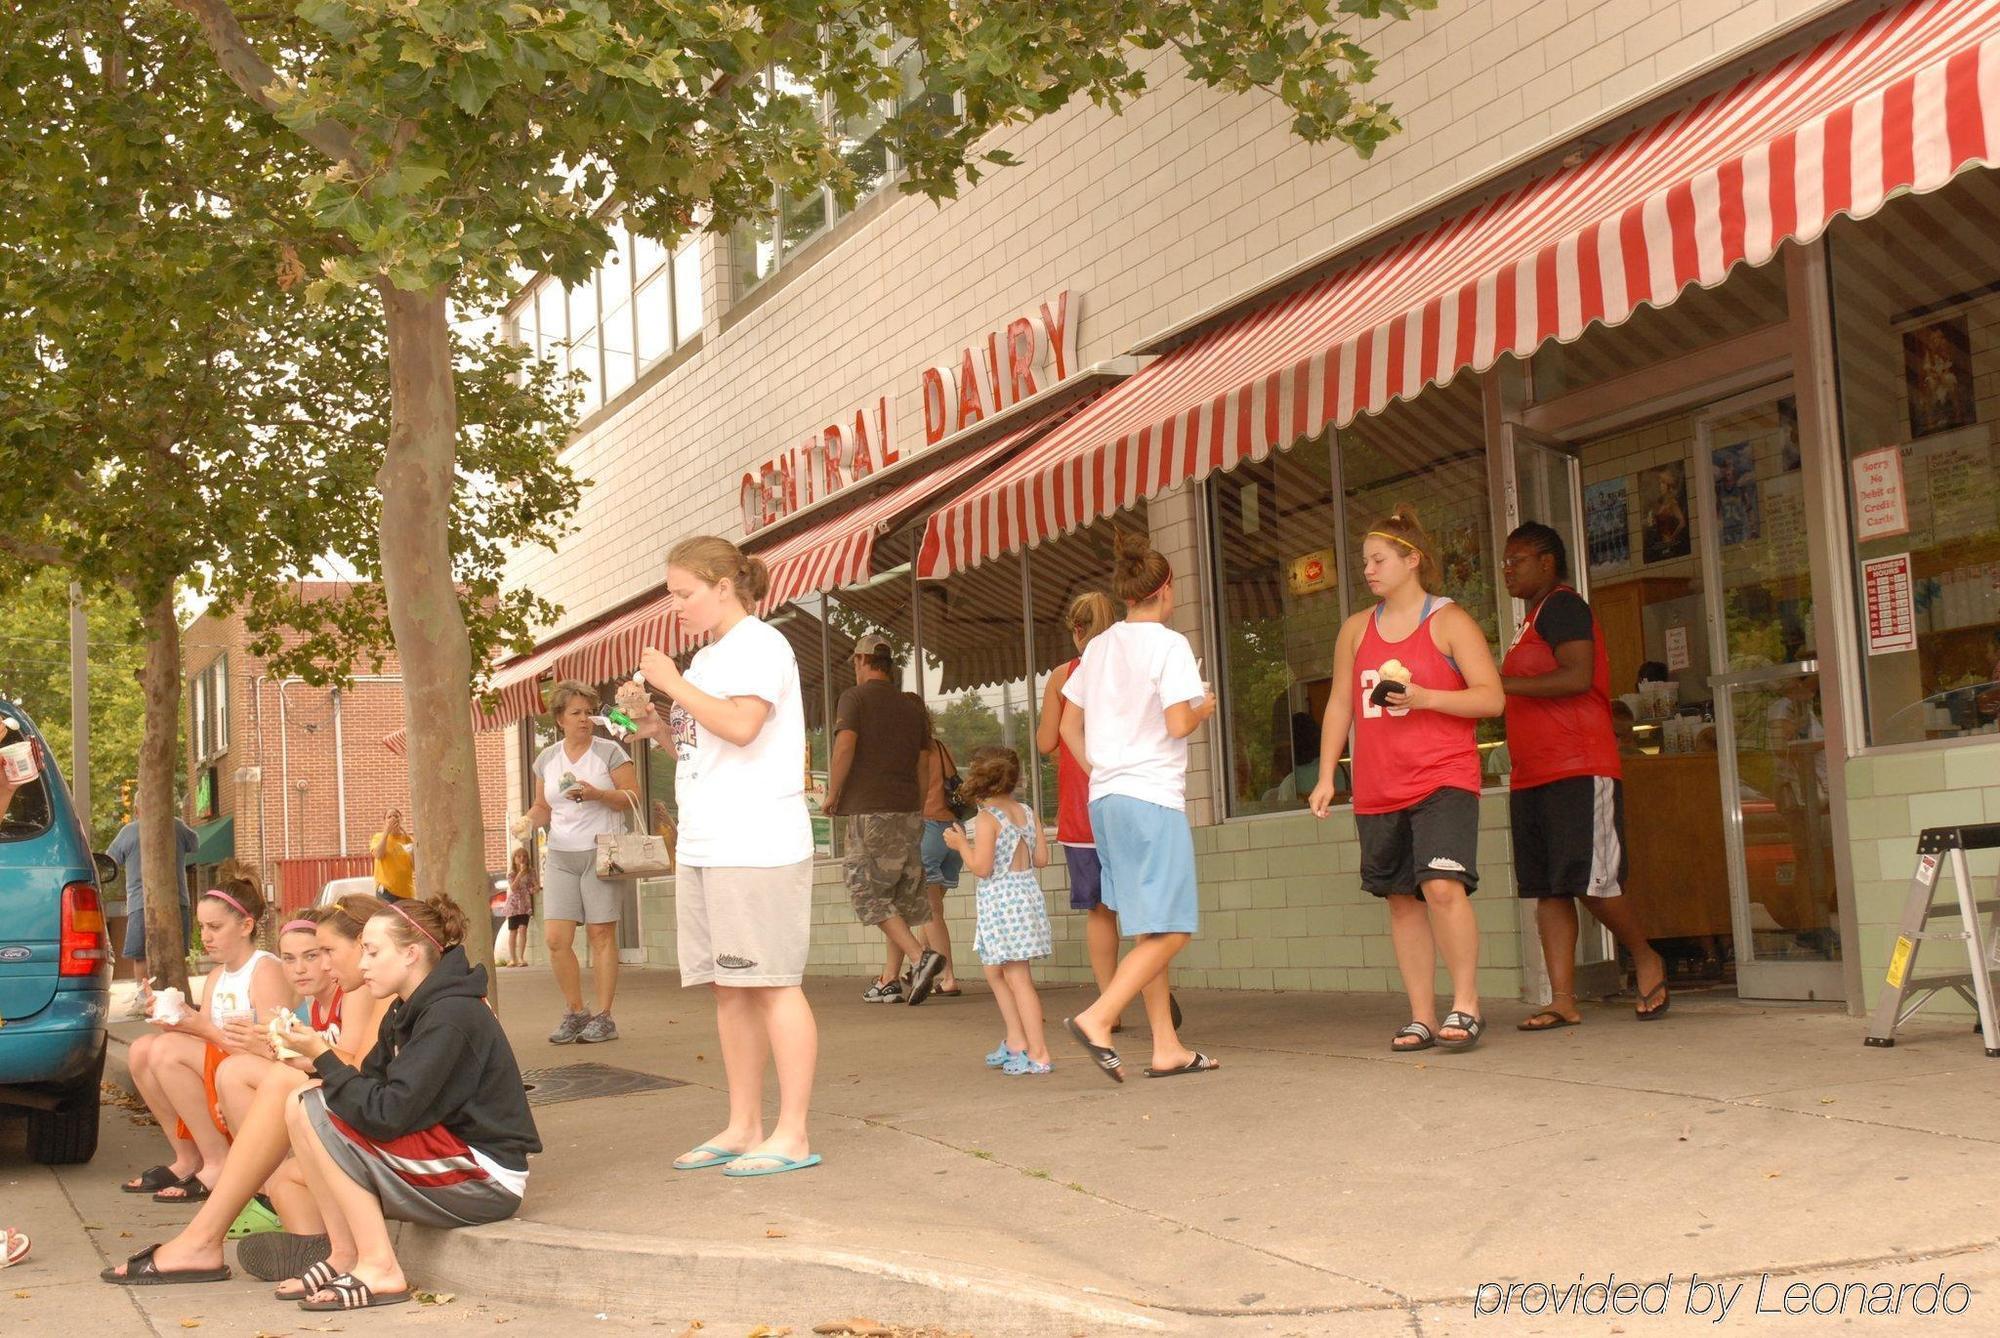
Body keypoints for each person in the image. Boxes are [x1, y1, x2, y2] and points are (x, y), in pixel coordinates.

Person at [628, 535, 820, 1178]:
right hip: (709, 840)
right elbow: (703, 748)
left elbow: (743, 726)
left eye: (683, 594)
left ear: (722, 585)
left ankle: (791, 1131)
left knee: (770, 983)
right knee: (729, 987)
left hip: (757, 840)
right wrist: (654, 723)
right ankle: (744, 1124)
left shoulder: (761, 644)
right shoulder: (708, 659)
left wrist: (673, 683)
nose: (675, 606)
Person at [101, 896, 393, 1291]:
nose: (319, 965)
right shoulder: (361, 989)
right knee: (285, 1179)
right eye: (303, 956)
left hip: (402, 1140)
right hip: (371, 1122)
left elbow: (355, 1070)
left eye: (325, 952)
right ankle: (319, 1248)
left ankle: (205, 1238)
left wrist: (289, 1049)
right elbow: (354, 1070)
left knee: (277, 1084)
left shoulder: (369, 991)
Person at [273, 895, 539, 1310]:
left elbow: (386, 1114)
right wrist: (314, 1059)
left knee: (317, 1106)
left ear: (412, 954)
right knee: (301, 1100)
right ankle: (345, 1254)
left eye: (373, 952)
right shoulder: (408, 1008)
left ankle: (380, 1267)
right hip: (448, 1155)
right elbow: (370, 1088)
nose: (362, 965)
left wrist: (325, 1059)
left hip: (487, 1179)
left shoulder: (451, 1015)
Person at [1309, 505, 1504, 1053]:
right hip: (1377, 785)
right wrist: (1328, 774)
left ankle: (1465, 1004)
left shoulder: (1448, 621)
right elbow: (1339, 706)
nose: (1368, 570)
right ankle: (1421, 1015)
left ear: (1411, 560)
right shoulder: (1355, 629)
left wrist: (1424, 698)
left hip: (1443, 778)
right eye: (1365, 561)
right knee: (1401, 899)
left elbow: (1492, 697)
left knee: (1442, 885)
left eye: (1378, 559)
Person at [1059, 530, 1218, 1082]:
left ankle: (1165, 1046)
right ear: (1165, 588)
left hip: (1106, 799)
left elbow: (1064, 725)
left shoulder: (1098, 646)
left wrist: (1102, 768)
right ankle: (1098, 1017)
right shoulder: (1169, 644)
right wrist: (1205, 707)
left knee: (1149, 929)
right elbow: (1178, 722)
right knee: (1173, 929)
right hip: (1152, 797)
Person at [1498, 522, 1669, 1030]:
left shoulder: (1564, 606)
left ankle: (1644, 957)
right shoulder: (1529, 620)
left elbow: (1576, 675)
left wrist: (1498, 682)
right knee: (1549, 887)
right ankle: (1563, 999)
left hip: (1578, 765)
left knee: (1594, 881)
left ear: (1547, 563)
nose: (1507, 569)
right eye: (1506, 561)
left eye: (1517, 559)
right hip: (1532, 774)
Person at [122, 865, 290, 1202]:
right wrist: (176, 1019)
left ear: (246, 925)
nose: (206, 937)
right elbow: (207, 1040)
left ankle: (220, 1162)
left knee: (167, 1050)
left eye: (215, 927)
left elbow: (276, 1050)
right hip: (226, 1064)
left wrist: (200, 1028)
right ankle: (189, 1157)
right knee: (142, 1049)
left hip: (256, 1073)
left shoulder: (265, 969)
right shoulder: (217, 976)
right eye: (201, 927)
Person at [826, 632, 945, 1007]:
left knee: (867, 891)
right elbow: (924, 761)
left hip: (869, 808)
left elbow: (845, 745)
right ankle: (890, 981)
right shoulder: (911, 706)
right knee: (896, 895)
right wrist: (919, 802)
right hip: (908, 810)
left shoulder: (854, 698)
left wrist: (832, 793)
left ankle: (918, 958)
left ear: (862, 660)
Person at [517, 680, 640, 1045]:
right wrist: (527, 821)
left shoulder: (610, 752)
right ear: (559, 719)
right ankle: (575, 1011)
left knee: (601, 934)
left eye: (589, 712)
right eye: (576, 713)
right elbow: (543, 807)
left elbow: (632, 796)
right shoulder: (547, 759)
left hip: (602, 851)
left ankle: (604, 1016)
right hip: (560, 854)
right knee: (556, 939)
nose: (584, 719)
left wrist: (597, 793)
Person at [1037, 590, 1127, 1008]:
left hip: (1082, 806)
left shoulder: (1063, 675)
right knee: (1138, 904)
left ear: (1077, 629)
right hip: (1130, 798)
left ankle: (1110, 1000)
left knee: (1099, 909)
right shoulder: (1128, 666)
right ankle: (1149, 986)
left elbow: (1045, 742)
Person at [945, 747, 1054, 1074]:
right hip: (1024, 896)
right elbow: (1042, 859)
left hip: (1002, 901)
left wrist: (962, 845)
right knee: (995, 970)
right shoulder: (1026, 810)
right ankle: (1016, 1040)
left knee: (1018, 976)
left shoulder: (987, 818)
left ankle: (1039, 1053)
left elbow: (982, 867)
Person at [885, 732, 965, 1001]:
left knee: (930, 911)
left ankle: (948, 977)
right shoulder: (941, 747)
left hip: (928, 828)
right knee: (931, 910)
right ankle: (918, 967)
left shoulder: (909, 751)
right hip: (953, 828)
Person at [105, 807, 199, 988]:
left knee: (141, 956)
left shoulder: (129, 831)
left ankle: (143, 998)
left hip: (141, 902)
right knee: (177, 954)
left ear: (135, 810)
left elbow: (111, 861)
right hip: (178, 901)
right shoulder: (177, 826)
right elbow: (194, 843)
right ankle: (177, 995)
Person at [502, 845, 538, 968]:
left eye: (524, 856)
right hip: (513, 905)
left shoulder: (531, 871)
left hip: (525, 904)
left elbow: (534, 886)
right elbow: (513, 887)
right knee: (513, 931)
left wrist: (535, 888)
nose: (522, 858)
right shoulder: (511, 872)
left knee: (523, 929)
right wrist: (521, 873)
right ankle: (513, 959)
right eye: (519, 856)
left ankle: (521, 957)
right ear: (514, 859)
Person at [367, 810, 415, 901]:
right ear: (384, 821)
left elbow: (415, 866)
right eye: (389, 817)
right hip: (386, 891)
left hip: (406, 891)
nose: (393, 819)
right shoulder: (378, 837)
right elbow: (378, 855)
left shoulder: (407, 839)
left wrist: (408, 838)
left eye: (396, 816)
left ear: (401, 820)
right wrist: (386, 832)